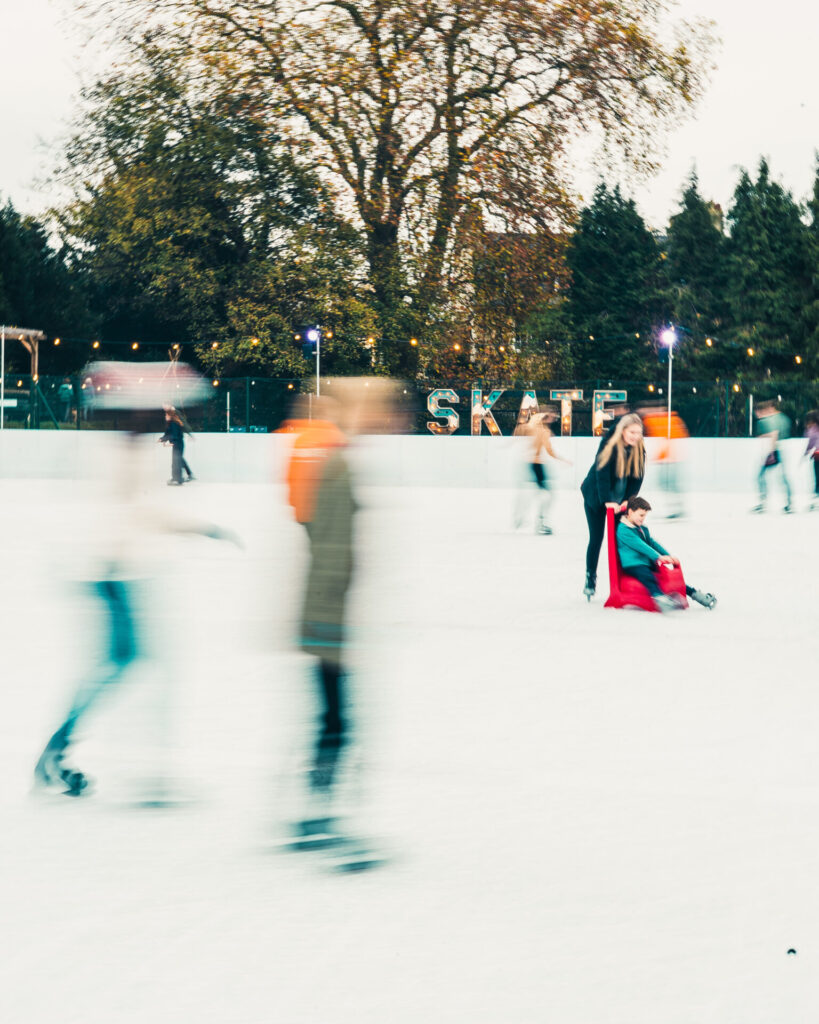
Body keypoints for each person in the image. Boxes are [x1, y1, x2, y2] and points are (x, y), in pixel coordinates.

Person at [580, 412, 646, 599]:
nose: (635, 436)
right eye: (631, 432)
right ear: (623, 431)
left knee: (621, 538)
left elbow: (638, 477)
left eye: (638, 433)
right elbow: (601, 473)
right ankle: (590, 577)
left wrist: (628, 500)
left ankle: (624, 579)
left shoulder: (638, 447)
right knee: (597, 537)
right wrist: (607, 501)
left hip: (620, 500)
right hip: (596, 496)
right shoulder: (609, 443)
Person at [617, 496, 716, 612]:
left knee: (671, 578)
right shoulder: (623, 530)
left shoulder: (641, 527)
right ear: (630, 512)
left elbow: (652, 543)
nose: (643, 519)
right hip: (633, 564)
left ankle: (696, 595)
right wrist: (658, 557)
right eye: (641, 515)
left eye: (645, 516)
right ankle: (659, 598)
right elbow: (641, 546)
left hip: (646, 562)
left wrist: (668, 555)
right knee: (648, 576)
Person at [513, 409, 571, 535]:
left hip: (533, 464)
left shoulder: (533, 428)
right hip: (537, 465)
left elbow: (520, 430)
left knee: (540, 494)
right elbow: (550, 451)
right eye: (553, 417)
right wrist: (564, 460)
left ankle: (524, 517)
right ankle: (540, 523)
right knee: (547, 495)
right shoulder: (543, 431)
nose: (554, 419)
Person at [752, 400, 793, 513]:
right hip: (781, 449)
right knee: (783, 477)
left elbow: (774, 434)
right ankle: (789, 504)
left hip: (774, 451)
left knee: (761, 476)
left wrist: (771, 453)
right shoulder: (783, 418)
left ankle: (763, 503)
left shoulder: (770, 420)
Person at [158, 407, 194, 485]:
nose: (165, 417)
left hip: (178, 444)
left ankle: (178, 479)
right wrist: (162, 438)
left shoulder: (174, 424)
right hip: (176, 444)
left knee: (177, 462)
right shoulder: (171, 424)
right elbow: (168, 434)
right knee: (176, 462)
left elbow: (174, 435)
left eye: (166, 415)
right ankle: (176, 478)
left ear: (170, 416)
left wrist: (164, 439)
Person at [803, 410, 819, 511]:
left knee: (817, 479)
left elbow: (810, 443)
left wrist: (806, 452)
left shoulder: (810, 430)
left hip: (818, 456)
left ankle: (816, 501)